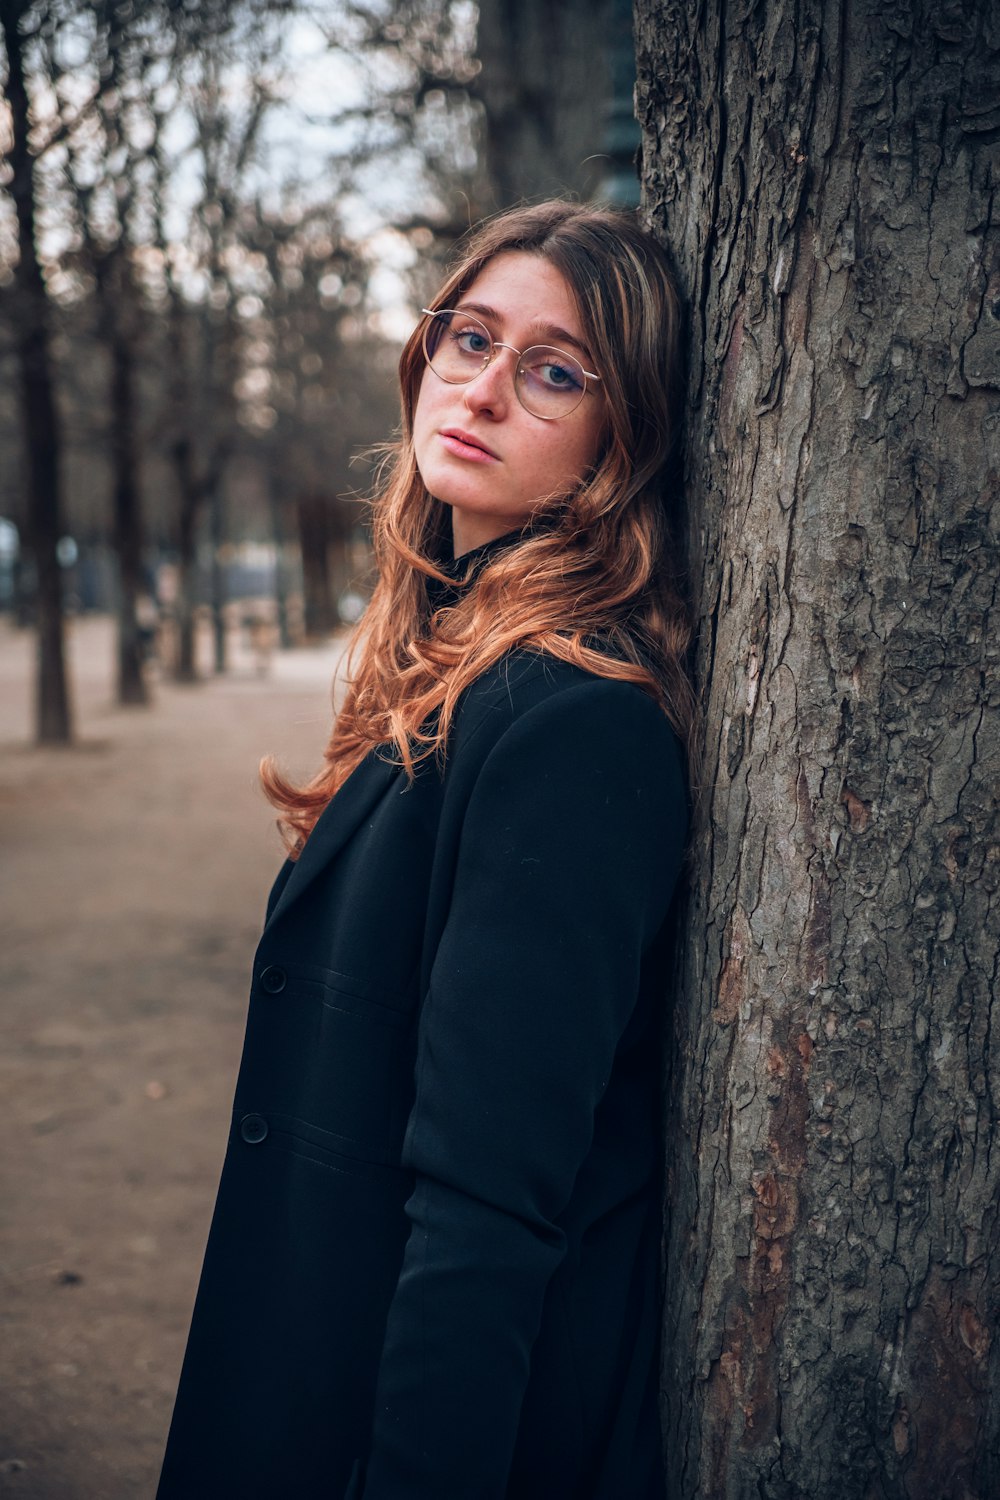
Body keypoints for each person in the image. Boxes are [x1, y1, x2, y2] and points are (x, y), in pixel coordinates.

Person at [155, 199, 695, 1500]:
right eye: (470, 339)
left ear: (620, 441)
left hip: (399, 1419)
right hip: (312, 1362)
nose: (486, 389)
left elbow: (489, 1207)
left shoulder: (577, 726)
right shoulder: (456, 658)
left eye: (555, 372)